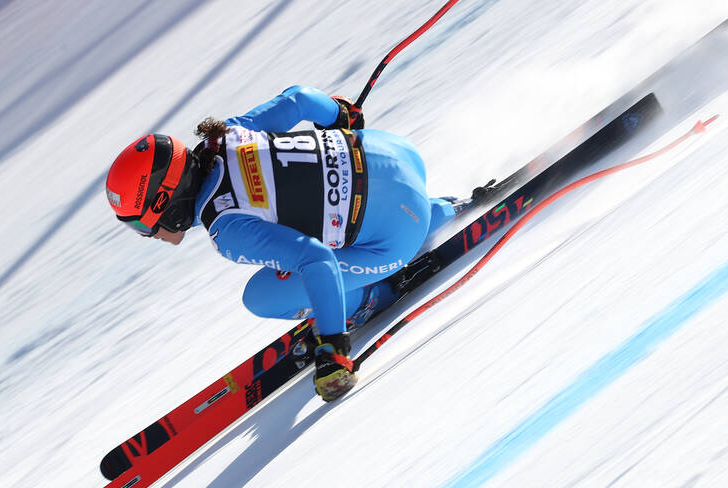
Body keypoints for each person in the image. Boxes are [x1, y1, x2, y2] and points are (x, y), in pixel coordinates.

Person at [105, 86, 461, 402]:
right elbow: (300, 98)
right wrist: (339, 115)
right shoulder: (227, 134)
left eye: (141, 225)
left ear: (165, 204)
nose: (147, 235)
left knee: (261, 295)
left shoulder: (226, 227)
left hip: (396, 238)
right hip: (397, 151)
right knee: (318, 219)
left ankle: (372, 298)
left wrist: (333, 348)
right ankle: (444, 210)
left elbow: (317, 259)